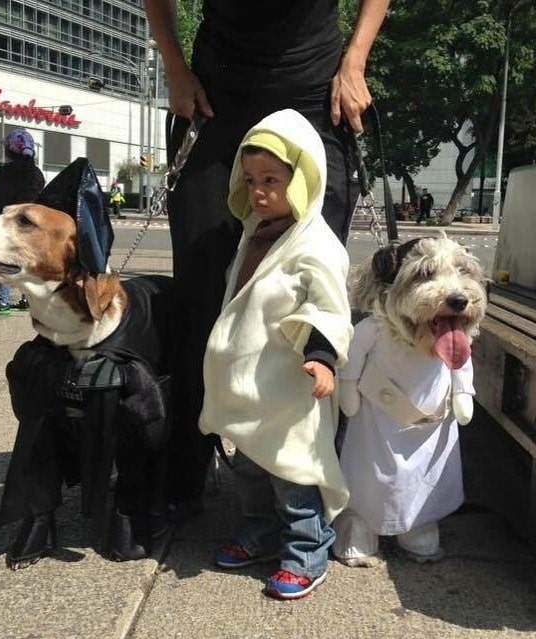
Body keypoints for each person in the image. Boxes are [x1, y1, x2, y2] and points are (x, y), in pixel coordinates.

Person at [145, 0, 391, 519]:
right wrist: (174, 67)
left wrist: (356, 60)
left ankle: (307, 488)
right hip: (216, 95)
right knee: (200, 289)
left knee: (311, 294)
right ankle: (189, 465)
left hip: (316, 92)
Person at [200, 109, 353, 599]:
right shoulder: (253, 234)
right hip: (248, 386)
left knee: (292, 472)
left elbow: (329, 306)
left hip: (290, 386)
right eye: (251, 179)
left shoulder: (317, 246)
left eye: (273, 179)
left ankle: (308, 549)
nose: (260, 190)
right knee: (249, 470)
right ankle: (259, 530)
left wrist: (322, 355)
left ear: (304, 179)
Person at [0, 129, 45, 315]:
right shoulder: (36, 173)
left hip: (7, 225)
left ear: (9, 151)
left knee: (3, 260)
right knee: (24, 263)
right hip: (30, 226)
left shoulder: (6, 173)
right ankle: (27, 299)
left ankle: (2, 302)